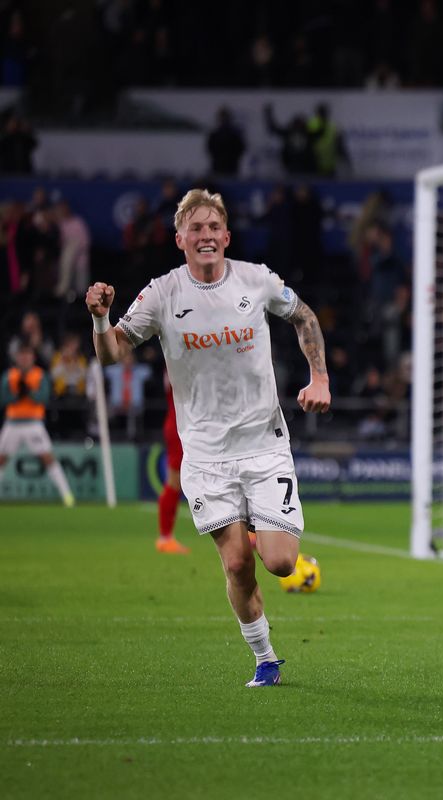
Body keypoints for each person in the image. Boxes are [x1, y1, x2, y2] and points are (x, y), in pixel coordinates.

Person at [85, 188, 331, 688]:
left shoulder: (256, 280)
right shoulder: (161, 294)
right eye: (195, 228)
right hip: (206, 456)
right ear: (179, 239)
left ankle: (263, 524)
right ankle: (265, 659)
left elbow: (304, 316)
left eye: (213, 227)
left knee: (281, 563)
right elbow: (110, 354)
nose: (206, 236)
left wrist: (319, 377)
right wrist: (99, 316)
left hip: (264, 444)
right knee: (238, 564)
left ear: (227, 236)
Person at [0, 342, 75, 507]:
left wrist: (29, 392)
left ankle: (67, 496)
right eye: (22, 355)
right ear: (17, 358)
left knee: (48, 458)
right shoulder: (9, 375)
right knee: (1, 459)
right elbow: (3, 399)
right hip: (12, 423)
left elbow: (44, 398)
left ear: (32, 358)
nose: (25, 359)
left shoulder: (40, 375)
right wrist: (17, 395)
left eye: (28, 355)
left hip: (33, 424)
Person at [156, 372, 189, 554]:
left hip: (181, 424)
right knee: (174, 481)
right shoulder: (174, 363)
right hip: (181, 426)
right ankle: (165, 538)